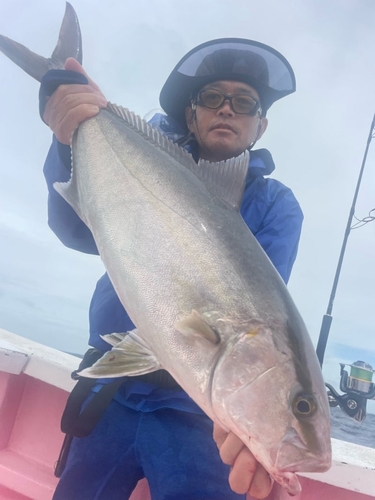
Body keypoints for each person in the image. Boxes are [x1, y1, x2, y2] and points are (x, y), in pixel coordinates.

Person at [41, 38, 303, 500]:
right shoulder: (137, 165)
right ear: (191, 115)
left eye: (243, 103)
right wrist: (66, 140)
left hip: (197, 415)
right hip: (111, 393)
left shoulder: (277, 206)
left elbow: (253, 314)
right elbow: (75, 231)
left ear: (260, 126)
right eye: (211, 98)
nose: (226, 109)